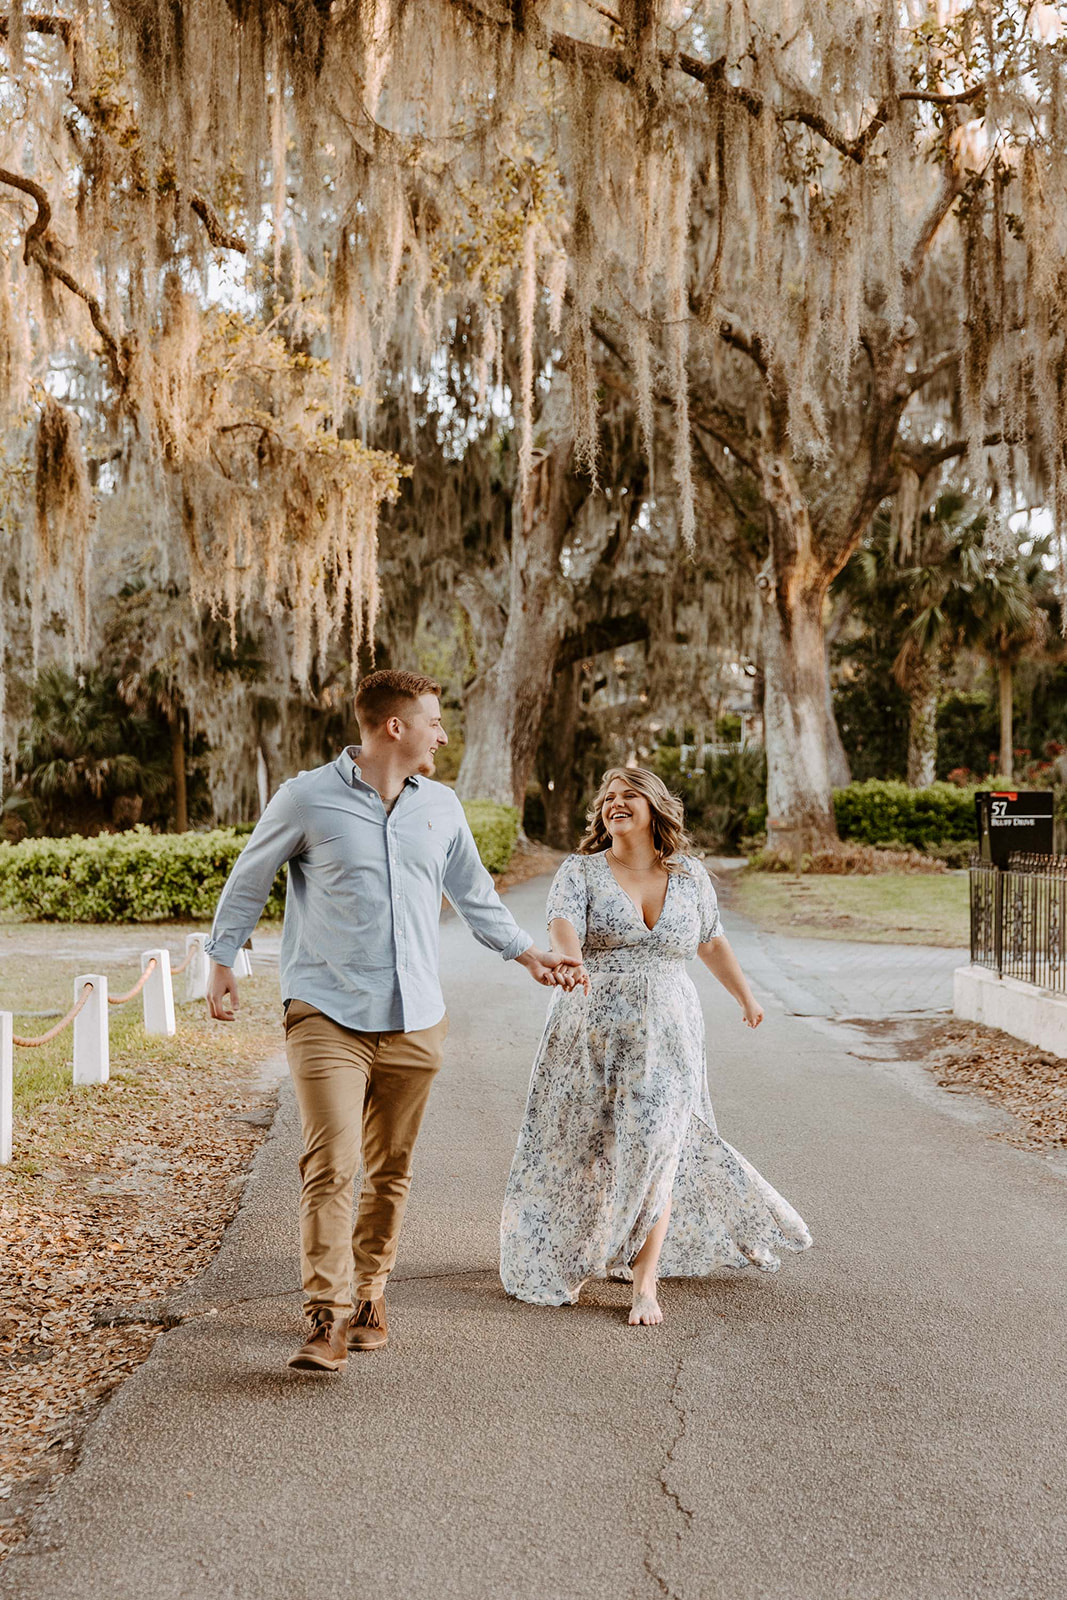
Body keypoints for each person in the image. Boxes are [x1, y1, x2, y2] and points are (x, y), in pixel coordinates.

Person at [205, 670, 579, 1372]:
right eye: (434, 721)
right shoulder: (306, 797)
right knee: (330, 1163)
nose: (443, 734)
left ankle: (371, 1293)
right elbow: (250, 876)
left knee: (390, 1169)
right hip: (326, 1011)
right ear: (394, 727)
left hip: (416, 1018)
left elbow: (474, 896)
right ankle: (326, 1314)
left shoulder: (439, 807)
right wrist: (221, 957)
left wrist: (529, 955)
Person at [500, 766, 812, 1326]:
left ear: (655, 807)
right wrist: (569, 960)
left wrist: (746, 996)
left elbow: (711, 939)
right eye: (609, 798)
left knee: (657, 1143)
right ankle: (578, 1249)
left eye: (629, 796)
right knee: (584, 1146)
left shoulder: (690, 876)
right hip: (589, 1028)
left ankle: (645, 1283)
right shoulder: (581, 871)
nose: (616, 804)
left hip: (670, 1031)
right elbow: (562, 923)